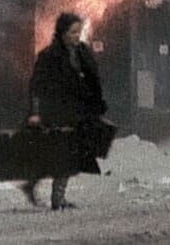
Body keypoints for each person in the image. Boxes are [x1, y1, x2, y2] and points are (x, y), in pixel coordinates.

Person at [20, 12, 108, 210]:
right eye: (73, 32)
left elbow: (93, 79)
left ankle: (36, 185)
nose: (77, 36)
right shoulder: (49, 56)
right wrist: (34, 112)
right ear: (62, 33)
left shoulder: (82, 52)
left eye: (79, 31)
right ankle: (56, 199)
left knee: (65, 153)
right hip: (56, 110)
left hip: (77, 110)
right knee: (65, 153)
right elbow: (37, 85)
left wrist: (96, 104)